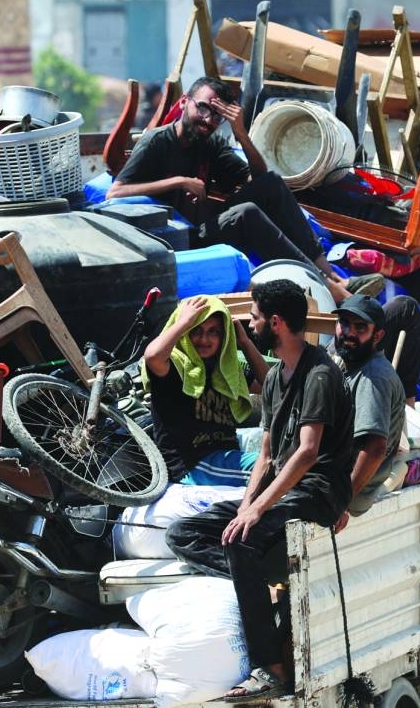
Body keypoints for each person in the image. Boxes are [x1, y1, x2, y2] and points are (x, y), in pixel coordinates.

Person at [165, 279, 354, 700]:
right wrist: (246, 506)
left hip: (318, 489)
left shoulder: (319, 374)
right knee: (183, 533)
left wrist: (256, 512)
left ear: (277, 322)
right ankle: (260, 588)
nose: (248, 325)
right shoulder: (273, 379)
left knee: (242, 544)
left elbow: (306, 453)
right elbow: (266, 455)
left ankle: (269, 667)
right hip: (282, 489)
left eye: (253, 317)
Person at [106, 76, 372, 304]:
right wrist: (179, 181)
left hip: (203, 226)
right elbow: (115, 192)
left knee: (272, 185)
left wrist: (241, 133)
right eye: (202, 108)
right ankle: (324, 286)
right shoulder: (157, 141)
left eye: (217, 116)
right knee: (246, 213)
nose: (208, 120)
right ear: (185, 102)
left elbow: (256, 179)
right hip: (178, 240)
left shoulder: (209, 143)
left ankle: (331, 274)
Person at [143, 294, 269, 485]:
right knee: (272, 469)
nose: (204, 339)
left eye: (214, 332)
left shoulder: (226, 369)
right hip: (191, 465)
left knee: (286, 460)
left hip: (226, 457)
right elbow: (152, 356)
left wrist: (244, 342)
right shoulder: (176, 366)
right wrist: (184, 321)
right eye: (196, 330)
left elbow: (270, 385)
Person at [328, 295, 406, 532]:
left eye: (361, 327)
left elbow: (374, 449)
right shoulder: (351, 364)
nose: (349, 332)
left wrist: (342, 502)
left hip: (348, 492)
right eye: (344, 323)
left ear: (378, 336)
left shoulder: (372, 378)